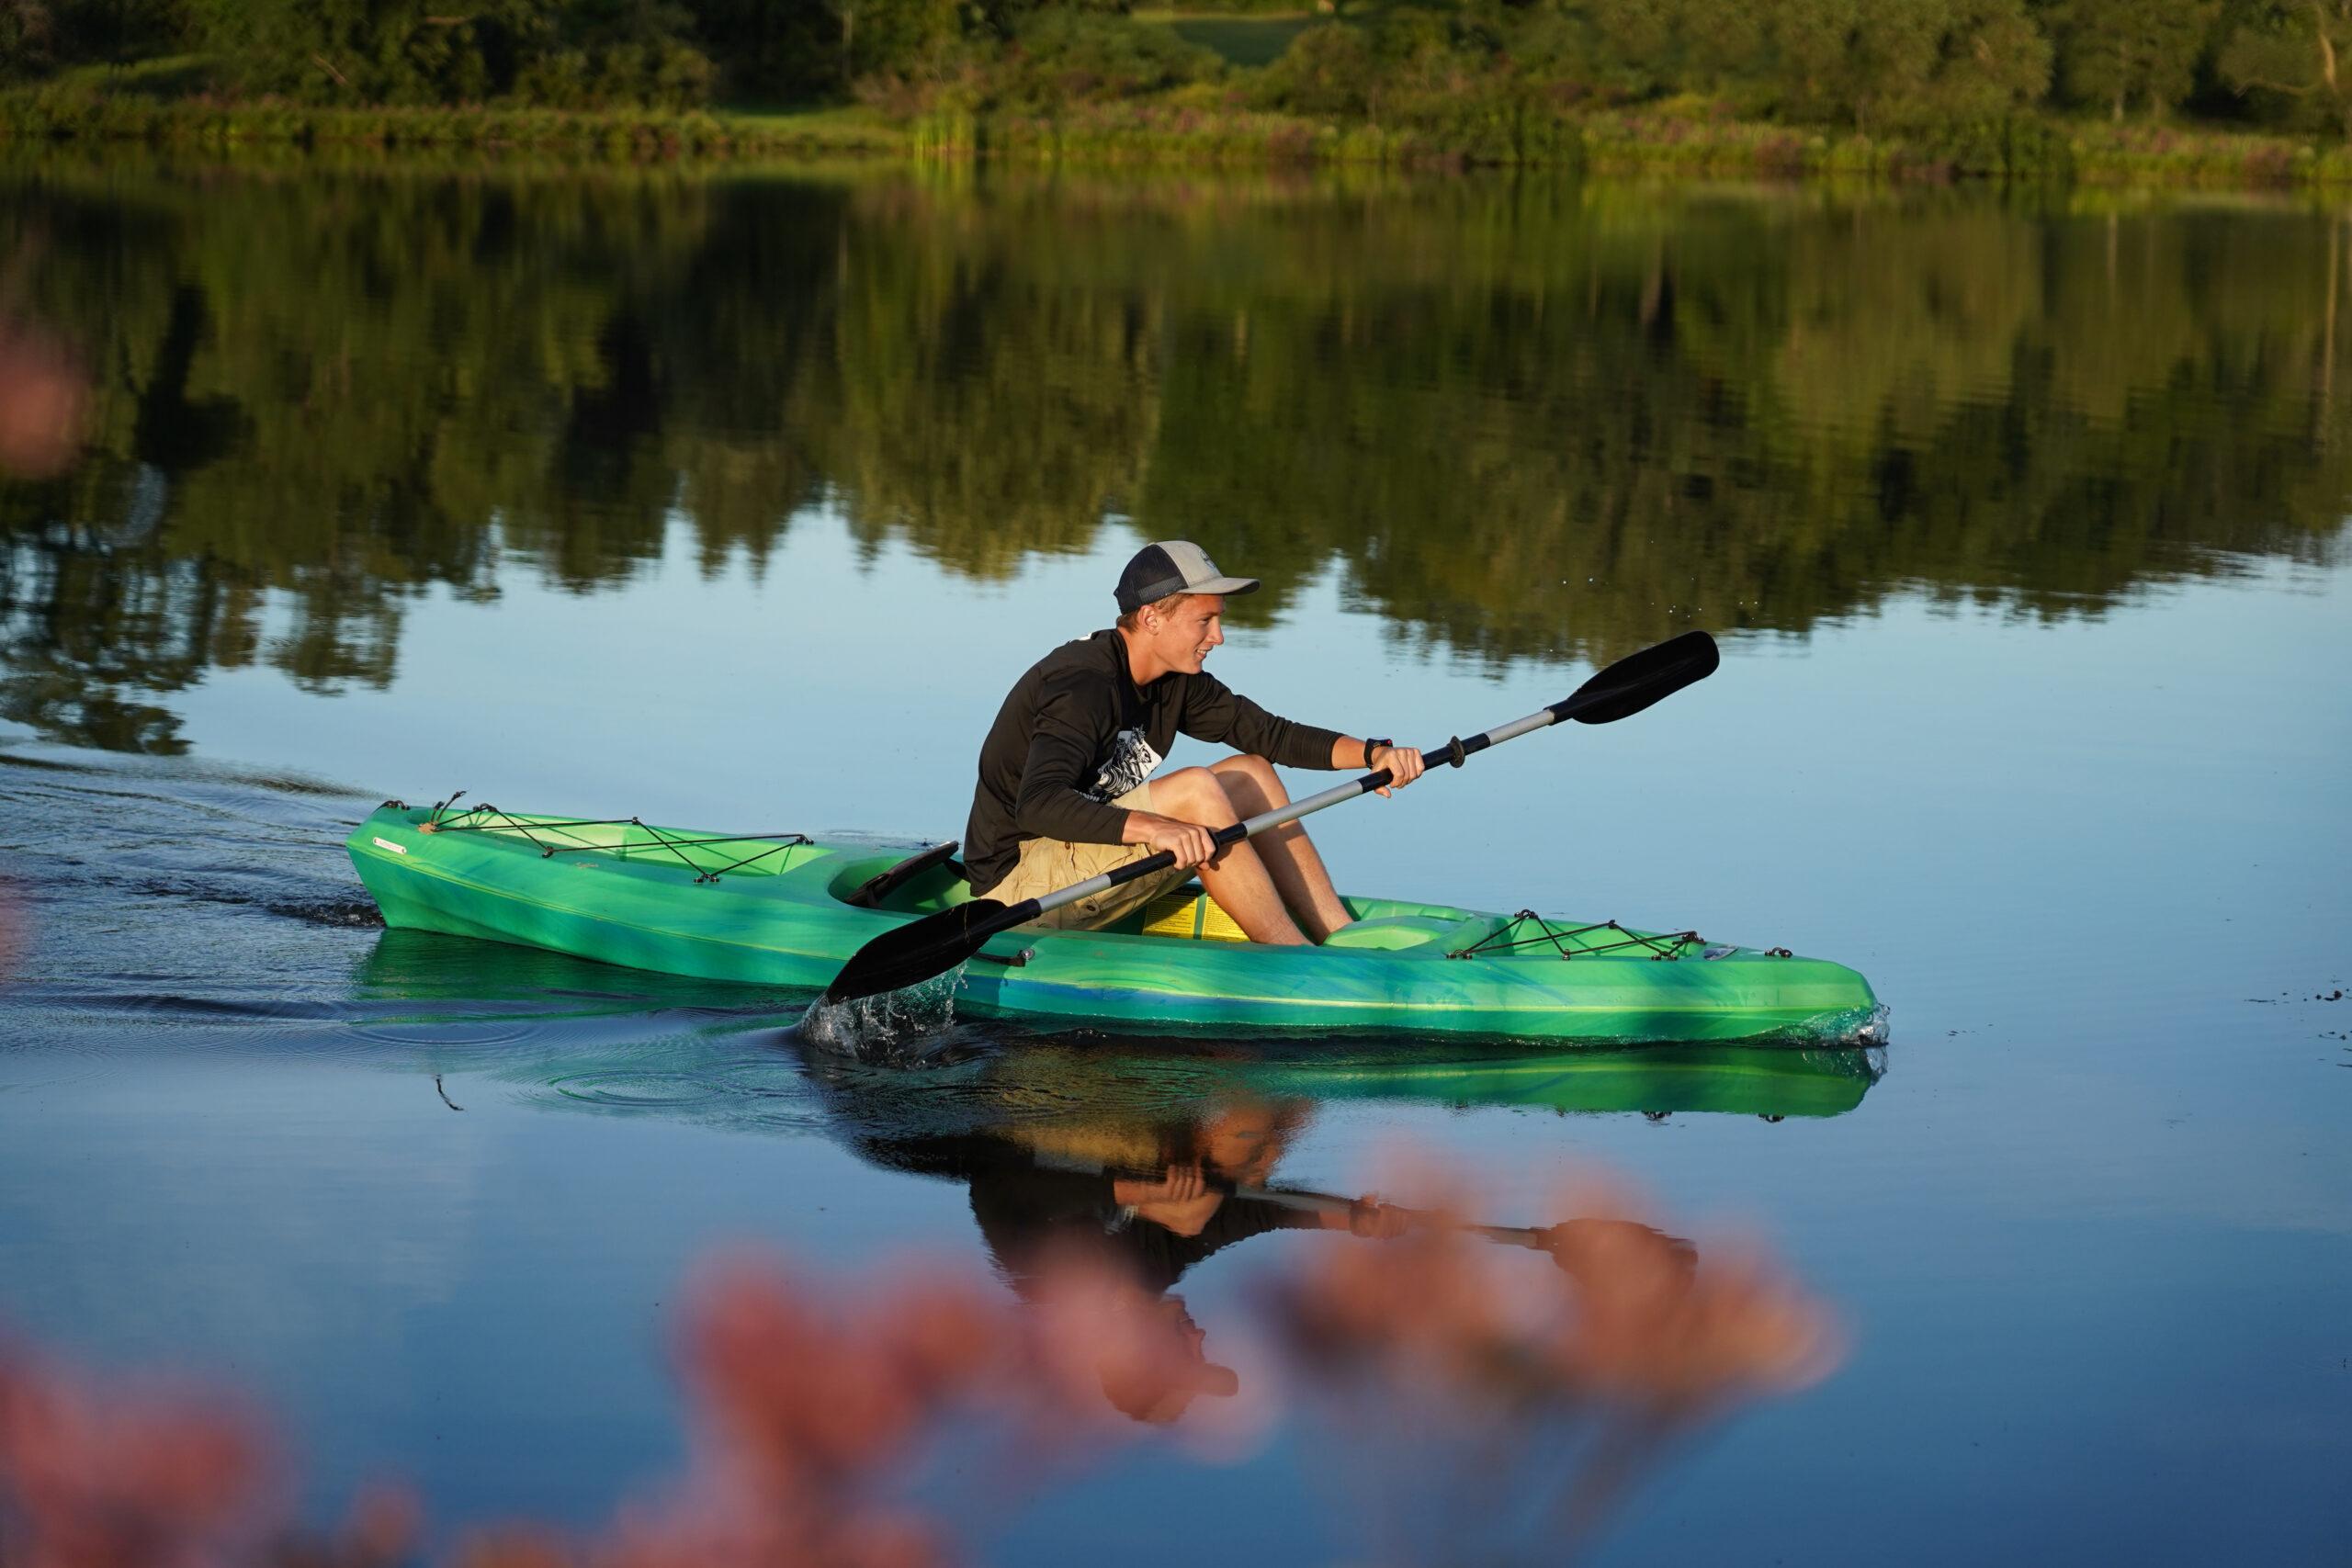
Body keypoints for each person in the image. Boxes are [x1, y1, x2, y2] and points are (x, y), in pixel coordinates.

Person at [962, 540, 1428, 943]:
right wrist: (1157, 828)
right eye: (1204, 620)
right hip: (1018, 892)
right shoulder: (1082, 685)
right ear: (1151, 618)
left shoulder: (1175, 679)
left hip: (1080, 862)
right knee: (1195, 790)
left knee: (1250, 773)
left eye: (1218, 620)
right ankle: (1292, 955)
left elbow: (1272, 734)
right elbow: (1038, 804)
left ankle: (1338, 934)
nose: (1218, 637)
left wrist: (1374, 753)